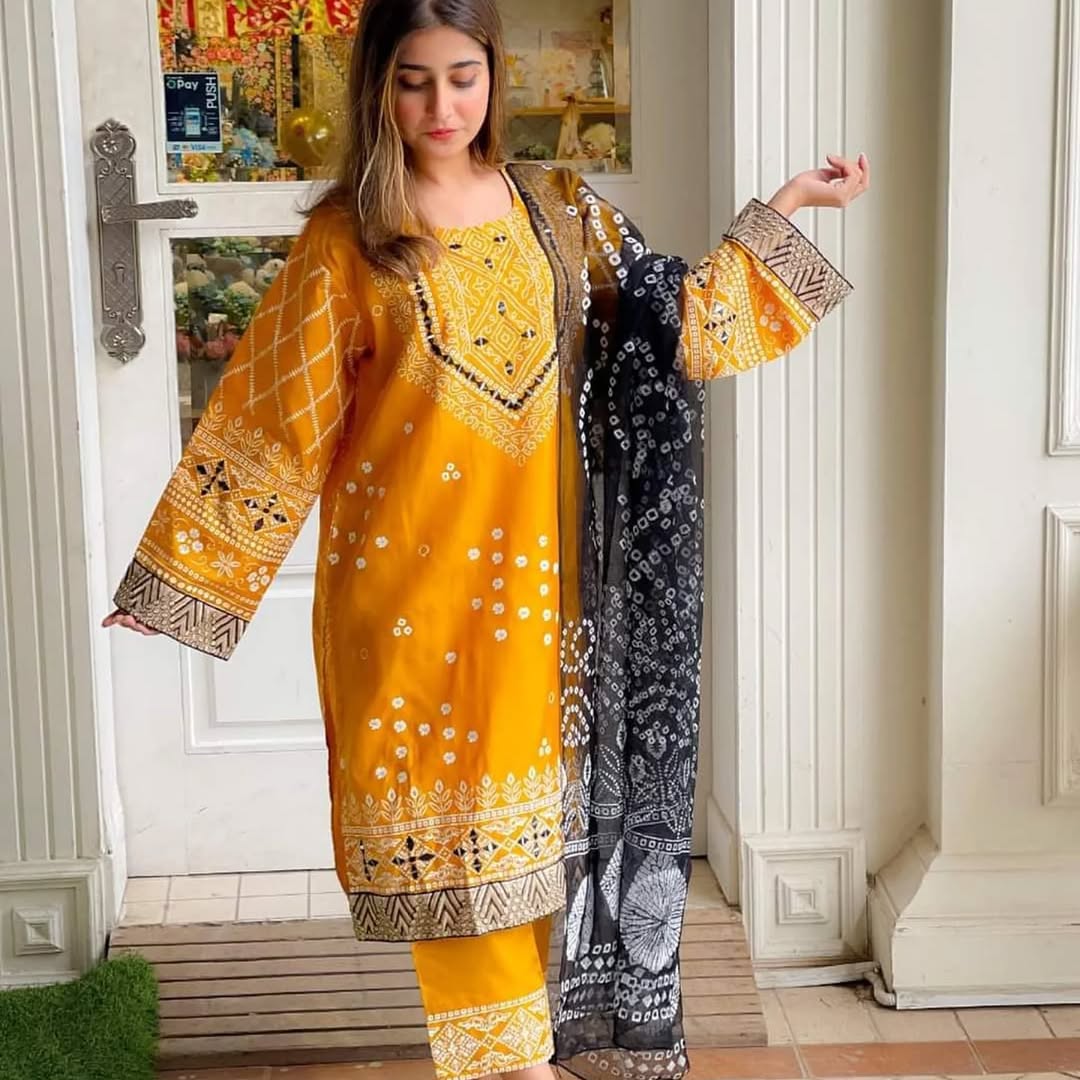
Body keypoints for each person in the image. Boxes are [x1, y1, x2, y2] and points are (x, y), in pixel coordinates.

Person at [104, 2, 869, 1078]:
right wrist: (184, 573)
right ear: (377, 87)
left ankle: (531, 1060)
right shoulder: (347, 243)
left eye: (462, 77)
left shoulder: (556, 212)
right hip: (410, 605)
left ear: (494, 76)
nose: (441, 106)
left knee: (540, 852)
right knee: (454, 858)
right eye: (413, 81)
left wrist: (787, 208)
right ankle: (508, 1069)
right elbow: (274, 421)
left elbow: (679, 325)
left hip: (552, 606)